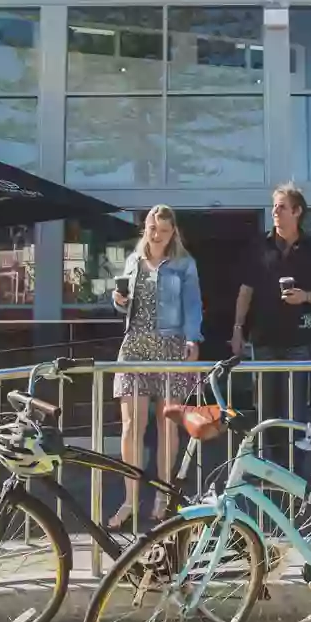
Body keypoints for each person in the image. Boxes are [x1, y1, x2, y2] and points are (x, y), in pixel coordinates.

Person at [110, 205, 205, 528]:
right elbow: (124, 303)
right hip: (135, 346)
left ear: (172, 232)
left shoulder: (183, 264)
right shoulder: (133, 262)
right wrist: (118, 300)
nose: (156, 235)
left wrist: (193, 339)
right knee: (130, 425)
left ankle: (163, 495)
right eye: (152, 228)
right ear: (145, 228)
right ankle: (129, 499)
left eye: (163, 230)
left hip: (169, 345)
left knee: (168, 424)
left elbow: (193, 304)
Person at [230, 183, 311, 466]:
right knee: (265, 410)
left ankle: (295, 472)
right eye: (274, 207)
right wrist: (237, 330)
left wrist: (305, 297)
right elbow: (245, 291)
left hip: (299, 341)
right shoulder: (260, 247)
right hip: (263, 340)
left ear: (297, 212)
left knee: (295, 411)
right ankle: (266, 468)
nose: (275, 212)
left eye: (281, 207)